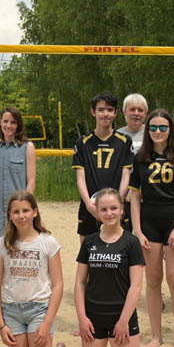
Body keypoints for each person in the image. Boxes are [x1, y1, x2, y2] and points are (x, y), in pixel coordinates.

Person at [74, 189, 166, 347]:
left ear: (122, 210)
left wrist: (124, 321)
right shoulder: (90, 242)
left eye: (114, 208)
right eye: (104, 209)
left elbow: (136, 286)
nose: (109, 213)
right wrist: (82, 318)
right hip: (94, 316)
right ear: (97, 213)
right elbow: (80, 283)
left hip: (121, 315)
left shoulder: (131, 242)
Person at [128, 109, 174, 347]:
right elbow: (134, 196)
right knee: (153, 279)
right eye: (153, 127)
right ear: (148, 131)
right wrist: (137, 229)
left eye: (163, 127)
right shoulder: (139, 158)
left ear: (171, 129)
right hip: (149, 221)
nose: (158, 132)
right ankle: (156, 336)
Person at [0, 191, 71, 347]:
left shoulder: (48, 242)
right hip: (12, 311)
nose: (21, 216)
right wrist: (1, 325)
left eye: (25, 210)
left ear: (35, 212)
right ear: (9, 215)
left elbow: (58, 285)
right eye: (16, 212)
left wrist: (47, 322)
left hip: (39, 311)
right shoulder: (2, 245)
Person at [73, 91, 134, 240]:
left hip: (116, 205)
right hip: (90, 205)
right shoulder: (83, 142)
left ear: (115, 113)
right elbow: (80, 178)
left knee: (121, 246)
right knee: (87, 250)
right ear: (93, 112)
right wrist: (88, 204)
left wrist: (119, 203)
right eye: (101, 109)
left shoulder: (125, 141)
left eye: (109, 109)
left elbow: (126, 175)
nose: (105, 114)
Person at [0, 106, 36, 244]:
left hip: (19, 212)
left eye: (13, 122)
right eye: (6, 121)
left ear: (18, 125)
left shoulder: (27, 147)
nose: (9, 125)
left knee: (19, 249)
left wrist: (25, 209)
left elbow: (31, 181)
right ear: (0, 123)